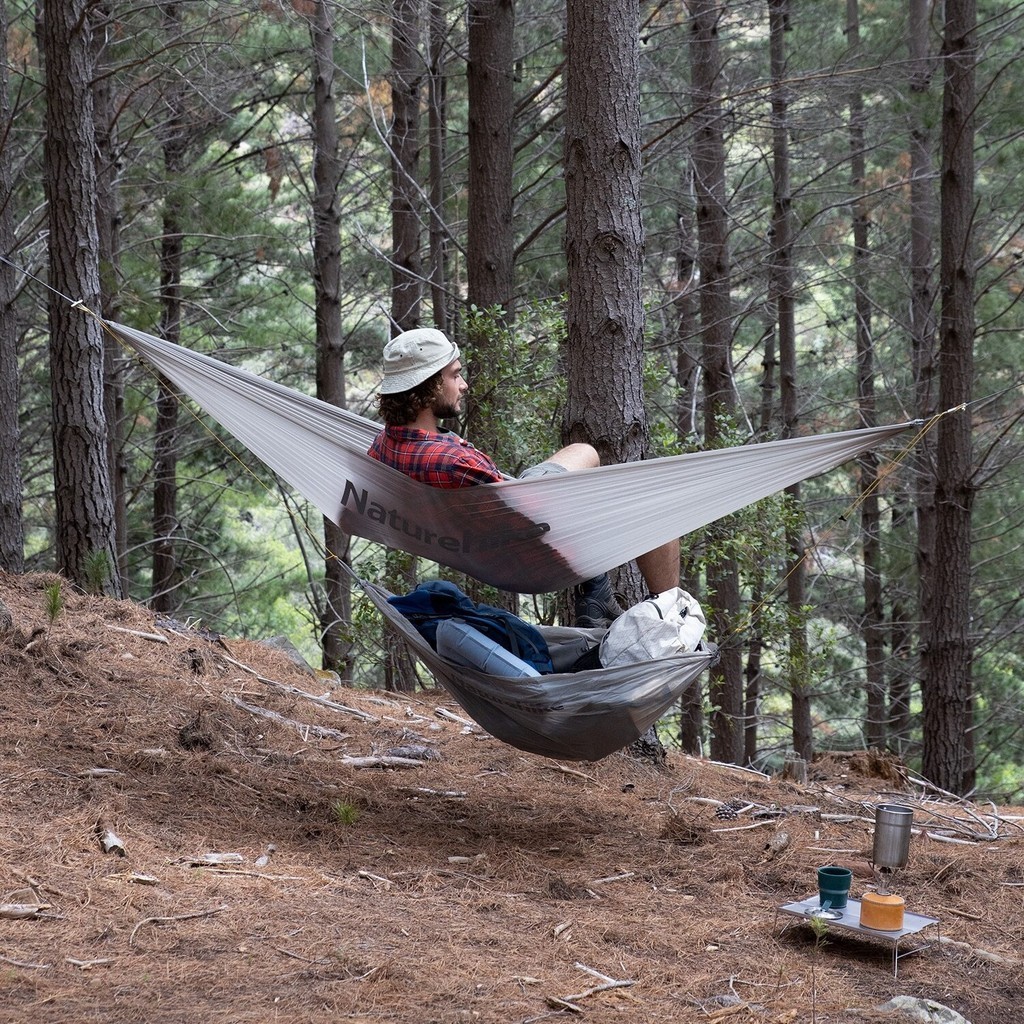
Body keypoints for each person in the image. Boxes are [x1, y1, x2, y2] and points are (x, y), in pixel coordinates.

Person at [367, 327, 681, 627]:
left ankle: (597, 592)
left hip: (478, 533)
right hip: (528, 551)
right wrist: (599, 507)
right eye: (455, 375)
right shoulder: (455, 462)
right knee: (658, 507)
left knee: (584, 452)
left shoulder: (382, 448)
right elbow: (530, 517)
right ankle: (670, 618)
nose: (463, 385)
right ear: (430, 385)